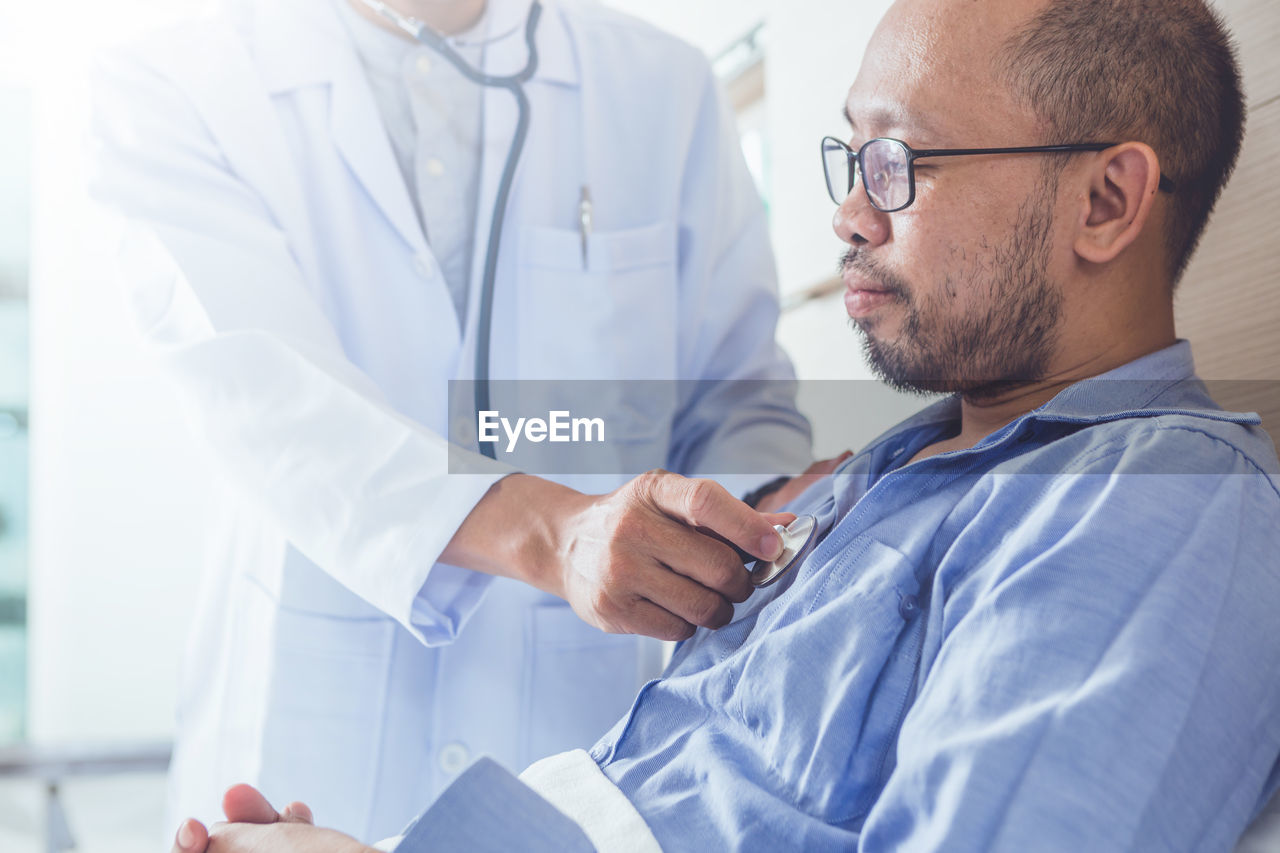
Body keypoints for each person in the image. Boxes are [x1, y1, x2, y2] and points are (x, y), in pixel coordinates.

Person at [163, 0, 1280, 849]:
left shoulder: (1156, 502)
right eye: (849, 157)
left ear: (1103, 203)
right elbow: (258, 391)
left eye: (896, 161)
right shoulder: (880, 476)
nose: (845, 213)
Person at [88, 0, 819, 840]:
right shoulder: (176, 81)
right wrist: (557, 533)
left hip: (575, 767)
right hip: (296, 755)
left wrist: (759, 514)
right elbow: (266, 395)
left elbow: (735, 399)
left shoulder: (664, 87)